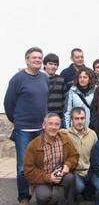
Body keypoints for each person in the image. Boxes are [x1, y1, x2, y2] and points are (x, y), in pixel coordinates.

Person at [4, 47, 49, 205]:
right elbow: (8, 103)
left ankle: (39, 194)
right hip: (23, 130)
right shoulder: (18, 79)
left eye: (39, 58)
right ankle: (24, 197)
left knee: (41, 163)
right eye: (34, 58)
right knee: (23, 166)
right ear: (27, 60)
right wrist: (17, 120)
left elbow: (45, 102)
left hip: (41, 129)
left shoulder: (44, 78)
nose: (37, 60)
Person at [24, 113, 78, 205]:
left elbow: (74, 155)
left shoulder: (65, 139)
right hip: (43, 179)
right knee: (44, 196)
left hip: (60, 175)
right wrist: (49, 177)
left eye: (57, 124)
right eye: (50, 124)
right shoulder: (33, 145)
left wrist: (67, 165)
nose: (54, 127)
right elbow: (28, 171)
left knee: (70, 178)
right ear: (44, 125)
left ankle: (68, 202)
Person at [66, 107, 98, 197]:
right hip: (74, 172)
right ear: (72, 120)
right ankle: (73, 196)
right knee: (79, 187)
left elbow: (95, 156)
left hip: (89, 171)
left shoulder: (92, 134)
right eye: (76, 118)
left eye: (82, 118)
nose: (80, 121)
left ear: (85, 119)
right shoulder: (65, 134)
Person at [43, 53, 66, 128]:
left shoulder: (61, 80)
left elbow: (64, 99)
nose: (53, 66)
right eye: (50, 64)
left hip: (58, 118)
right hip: (42, 118)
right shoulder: (38, 79)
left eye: (55, 64)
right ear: (45, 64)